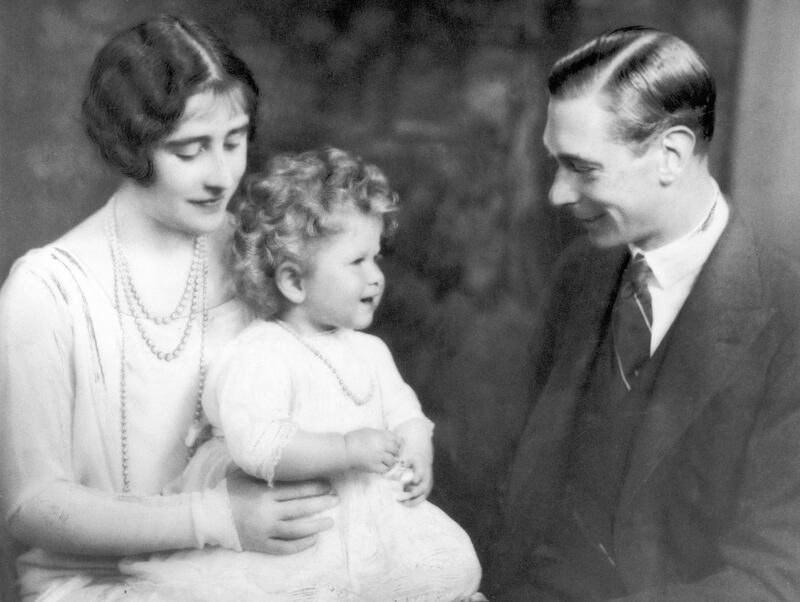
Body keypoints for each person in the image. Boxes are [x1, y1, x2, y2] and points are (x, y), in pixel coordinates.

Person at [0, 15, 338, 601]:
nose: (222, 175)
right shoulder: (46, 290)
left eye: (234, 142)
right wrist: (215, 519)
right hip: (91, 586)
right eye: (190, 150)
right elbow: (31, 505)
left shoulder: (261, 255)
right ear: (131, 146)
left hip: (247, 574)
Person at [486, 26, 800, 600]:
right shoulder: (580, 274)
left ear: (671, 155)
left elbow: (777, 576)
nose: (558, 193)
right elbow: (518, 495)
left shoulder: (790, 313)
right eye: (557, 165)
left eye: (583, 168)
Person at [121, 147, 483, 601]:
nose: (375, 277)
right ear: (294, 281)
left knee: (452, 567)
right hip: (302, 527)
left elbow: (401, 405)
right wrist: (346, 449)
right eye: (356, 262)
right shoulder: (263, 352)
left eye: (376, 257)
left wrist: (416, 444)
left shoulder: (369, 350)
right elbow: (258, 445)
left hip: (373, 520)